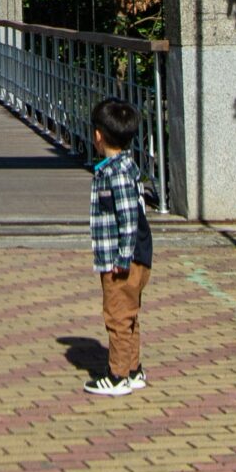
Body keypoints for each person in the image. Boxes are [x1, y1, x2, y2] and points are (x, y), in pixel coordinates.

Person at [84, 95, 153, 396]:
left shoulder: (118, 173)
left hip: (122, 258)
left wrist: (122, 258)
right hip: (129, 255)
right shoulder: (123, 166)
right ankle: (133, 369)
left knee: (116, 315)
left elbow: (128, 219)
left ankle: (117, 375)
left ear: (98, 136)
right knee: (129, 313)